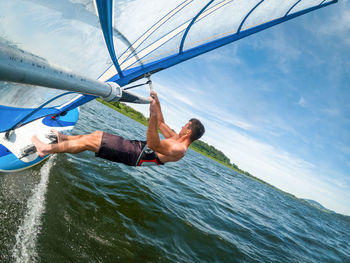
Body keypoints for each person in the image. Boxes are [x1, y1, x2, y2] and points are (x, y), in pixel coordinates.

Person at [31, 91, 205, 166]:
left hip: (135, 155)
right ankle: (64, 139)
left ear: (188, 131)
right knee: (97, 135)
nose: (182, 126)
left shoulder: (178, 149)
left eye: (185, 125)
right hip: (136, 148)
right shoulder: (175, 138)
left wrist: (151, 116)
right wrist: (156, 103)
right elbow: (161, 123)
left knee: (92, 142)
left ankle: (45, 149)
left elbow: (153, 143)